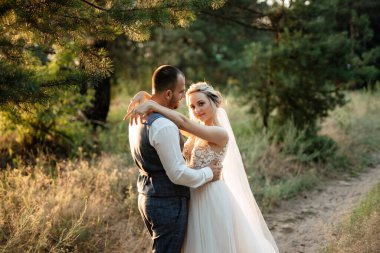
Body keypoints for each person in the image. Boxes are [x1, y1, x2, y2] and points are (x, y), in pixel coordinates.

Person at [126, 81, 279, 253]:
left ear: (214, 102)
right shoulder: (198, 130)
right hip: (193, 193)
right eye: (192, 106)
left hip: (211, 195)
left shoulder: (220, 133)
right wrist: (145, 95)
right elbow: (174, 119)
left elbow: (182, 121)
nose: (197, 110)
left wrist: (150, 103)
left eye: (201, 103)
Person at [126, 65, 222, 253]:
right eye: (181, 91)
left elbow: (184, 124)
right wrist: (209, 172)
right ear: (169, 93)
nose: (183, 98)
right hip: (167, 201)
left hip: (148, 196)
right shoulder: (163, 125)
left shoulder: (139, 117)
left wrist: (148, 99)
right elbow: (178, 173)